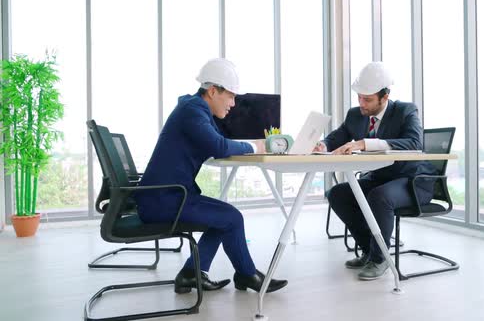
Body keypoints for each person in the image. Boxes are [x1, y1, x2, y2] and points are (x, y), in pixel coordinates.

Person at [134, 58, 288, 294]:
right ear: (213, 91)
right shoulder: (193, 110)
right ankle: (247, 276)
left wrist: (246, 144)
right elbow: (219, 147)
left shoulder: (195, 108)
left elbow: (220, 142)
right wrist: (257, 147)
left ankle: (191, 274)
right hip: (163, 200)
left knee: (224, 218)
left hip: (166, 196)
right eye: (231, 96)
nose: (234, 103)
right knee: (231, 218)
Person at [313, 62, 437, 280]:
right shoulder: (355, 115)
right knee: (338, 194)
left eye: (368, 99)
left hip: (413, 182)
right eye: (359, 97)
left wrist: (366, 143)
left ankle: (380, 259)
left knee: (379, 197)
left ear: (385, 96)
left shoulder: (406, 111)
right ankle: (370, 250)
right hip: (379, 178)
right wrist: (322, 145)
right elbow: (336, 138)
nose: (362, 103)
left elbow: (414, 142)